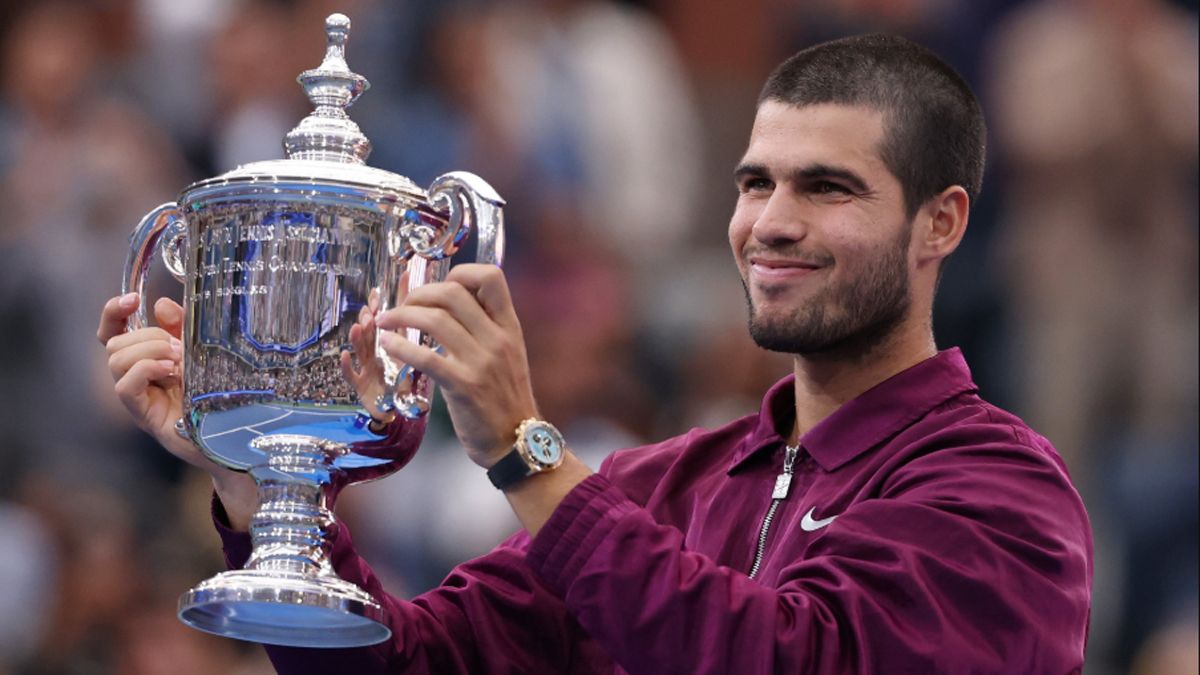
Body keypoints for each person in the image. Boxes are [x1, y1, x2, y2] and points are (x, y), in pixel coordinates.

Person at [98, 34, 1093, 674]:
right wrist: (255, 477)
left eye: (828, 187)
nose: (771, 224)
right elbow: (407, 664)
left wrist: (526, 453)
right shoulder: (662, 487)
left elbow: (782, 662)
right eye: (757, 184)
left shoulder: (1003, 499)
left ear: (942, 222)